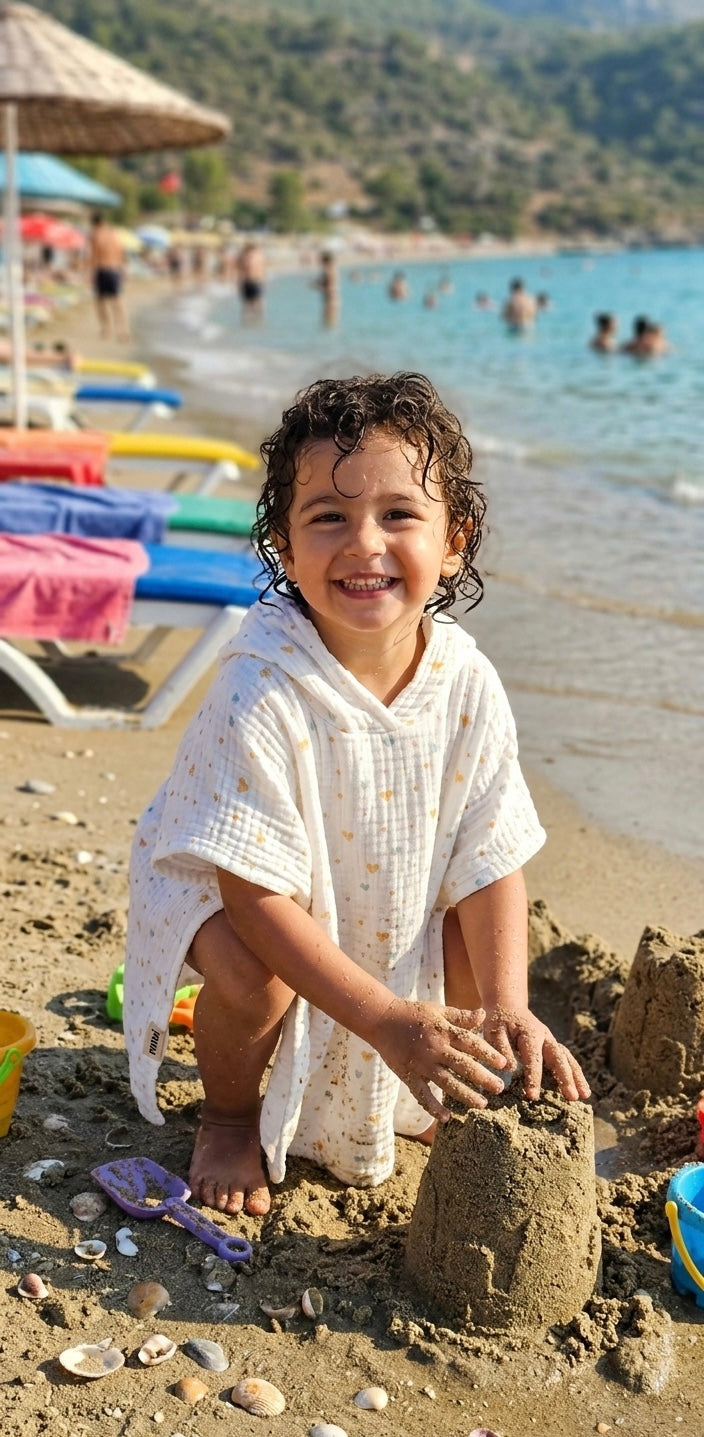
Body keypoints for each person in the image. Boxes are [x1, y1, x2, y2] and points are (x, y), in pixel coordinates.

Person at [123, 371, 590, 1217]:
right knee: (259, 976)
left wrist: (507, 1006)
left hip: (382, 871)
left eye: (399, 513)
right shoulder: (260, 684)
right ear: (283, 542)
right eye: (328, 517)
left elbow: (490, 856)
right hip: (230, 885)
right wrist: (386, 1019)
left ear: (455, 540)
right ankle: (228, 1115)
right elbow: (253, 895)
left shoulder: (466, 682)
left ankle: (424, 1087)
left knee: (473, 949)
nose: (364, 543)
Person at [87, 211, 129, 341]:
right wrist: (123, 270)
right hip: (115, 269)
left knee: (101, 302)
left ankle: (106, 329)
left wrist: (90, 273)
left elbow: (94, 255)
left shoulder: (95, 234)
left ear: (93, 223)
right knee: (118, 301)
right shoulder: (113, 233)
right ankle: (123, 330)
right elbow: (121, 252)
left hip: (102, 269)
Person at [236, 240, 266, 322]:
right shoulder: (243, 256)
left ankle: (259, 320)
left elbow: (262, 269)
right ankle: (247, 321)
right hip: (247, 281)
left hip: (256, 281)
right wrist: (239, 282)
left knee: (257, 303)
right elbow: (240, 269)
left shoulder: (259, 255)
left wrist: (263, 281)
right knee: (247, 304)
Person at [314, 249, 339, 327]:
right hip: (333, 299)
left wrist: (317, 286)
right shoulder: (332, 269)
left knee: (328, 323)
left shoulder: (328, 270)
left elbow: (329, 286)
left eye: (320, 259)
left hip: (330, 300)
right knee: (331, 323)